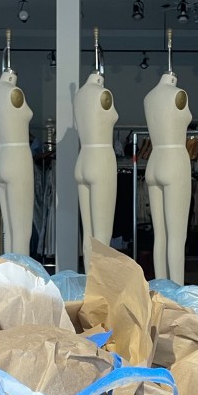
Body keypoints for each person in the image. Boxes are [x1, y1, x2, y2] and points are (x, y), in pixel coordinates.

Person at [144, 34, 191, 284]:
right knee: (176, 235)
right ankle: (178, 296)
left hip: (154, 160)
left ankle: (161, 293)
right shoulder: (178, 94)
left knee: (159, 235)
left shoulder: (149, 97)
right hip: (174, 160)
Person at [0, 36, 34, 255]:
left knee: (8, 230)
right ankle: (21, 285)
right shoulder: (13, 92)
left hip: (1, 158)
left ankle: (9, 281)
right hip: (18, 159)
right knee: (22, 232)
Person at [74, 54, 118, 271]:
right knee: (101, 235)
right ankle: (100, 290)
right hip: (101, 160)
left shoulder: (80, 94)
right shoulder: (103, 93)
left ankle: (89, 285)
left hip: (83, 159)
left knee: (88, 233)